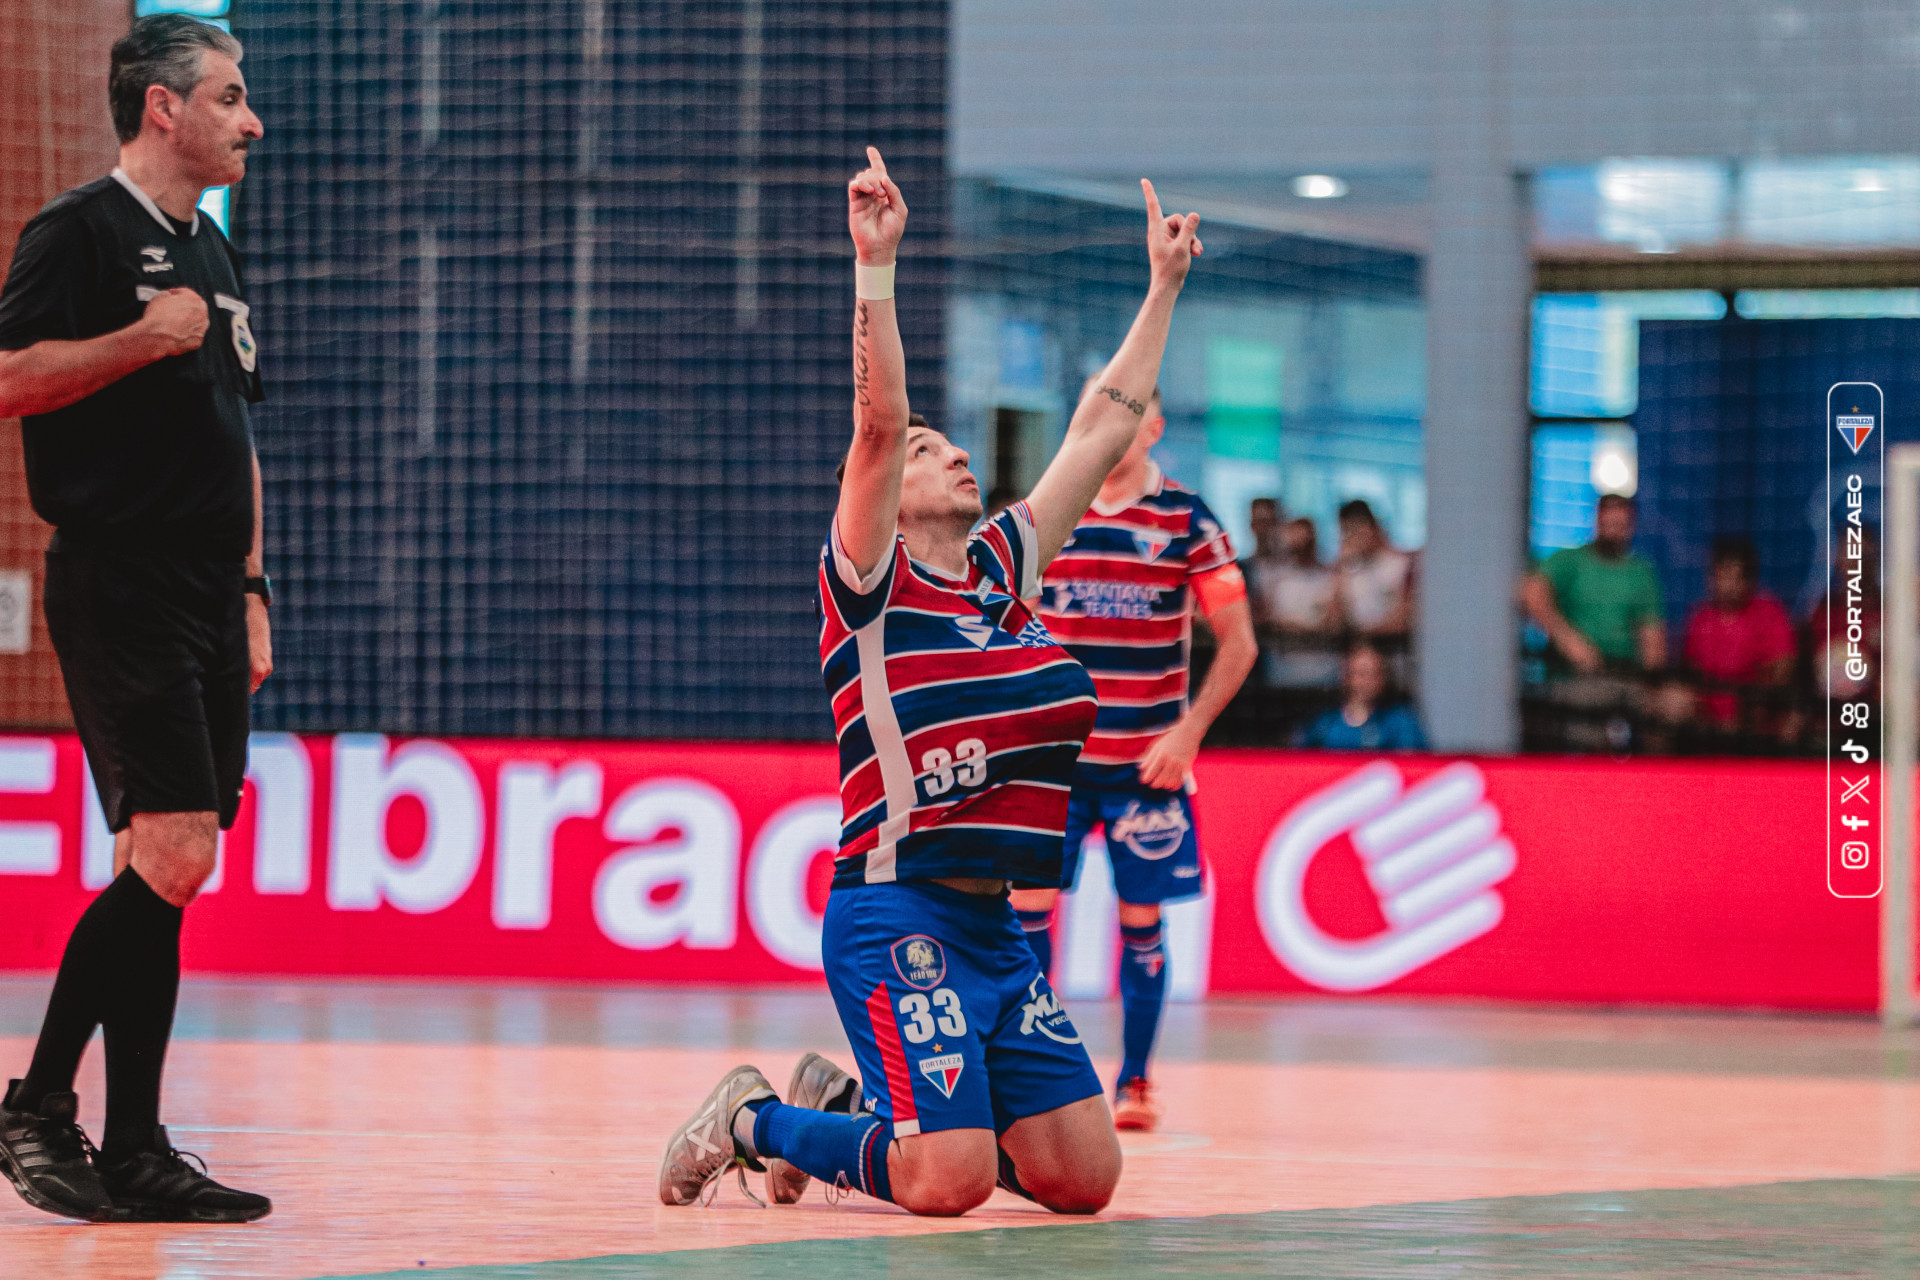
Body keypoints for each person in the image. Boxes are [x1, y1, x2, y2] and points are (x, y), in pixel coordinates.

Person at [658, 148, 1201, 1216]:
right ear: (888, 496)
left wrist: (1162, 288)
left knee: (1083, 1178)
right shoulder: (871, 585)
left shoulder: (1001, 570)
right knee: (946, 1181)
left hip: (995, 926)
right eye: (926, 450)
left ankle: (848, 1100)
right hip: (895, 914)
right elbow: (874, 422)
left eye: (955, 446)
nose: (951, 454)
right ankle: (749, 1118)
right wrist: (877, 267)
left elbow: (1101, 423)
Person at [0, 16, 273, 1225]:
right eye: (226, 97)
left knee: (165, 869)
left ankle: (138, 1144)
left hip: (212, 591)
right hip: (120, 578)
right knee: (176, 850)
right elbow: (6, 376)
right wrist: (134, 342)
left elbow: (238, 438)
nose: (249, 119)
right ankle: (35, 1106)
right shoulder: (80, 231)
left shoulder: (210, 252)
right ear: (162, 108)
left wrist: (256, 590)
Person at [1009, 379, 1257, 1132]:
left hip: (1144, 766)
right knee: (1024, 919)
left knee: (1141, 921)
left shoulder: (1187, 518)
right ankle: (1028, 1079)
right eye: (1095, 408)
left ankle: (1137, 1082)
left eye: (1126, 410)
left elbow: (1239, 643)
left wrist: (1188, 732)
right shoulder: (1047, 511)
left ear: (1154, 427)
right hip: (1053, 763)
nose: (1110, 422)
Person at [1522, 494, 1666, 675]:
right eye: (1609, 524)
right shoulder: (1570, 561)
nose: (1613, 531)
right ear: (1597, 520)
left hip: (1623, 675)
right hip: (1571, 676)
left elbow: (1651, 637)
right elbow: (1531, 591)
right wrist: (1567, 640)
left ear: (1631, 525)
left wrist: (1653, 682)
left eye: (1620, 525)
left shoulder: (1641, 573)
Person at [1681, 535, 1794, 730]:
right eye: (1720, 575)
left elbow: (1783, 666)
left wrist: (1754, 702)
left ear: (1748, 580)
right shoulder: (1700, 618)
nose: (1726, 585)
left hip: (1754, 711)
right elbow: (1692, 671)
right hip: (1708, 715)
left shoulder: (1768, 612)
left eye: (1733, 576)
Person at [1296, 641, 1427, 750]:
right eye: (1361, 674)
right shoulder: (1325, 725)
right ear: (1346, 677)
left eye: (1374, 674)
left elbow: (1414, 765)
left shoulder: (1400, 722)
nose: (1367, 682)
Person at [1334, 500, 1413, 641]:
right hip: (1357, 651)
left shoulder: (1401, 564)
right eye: (1347, 532)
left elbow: (1402, 620)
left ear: (1372, 527)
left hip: (1392, 648)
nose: (1353, 537)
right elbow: (1336, 618)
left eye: (1357, 529)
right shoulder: (1348, 568)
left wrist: (1366, 634)